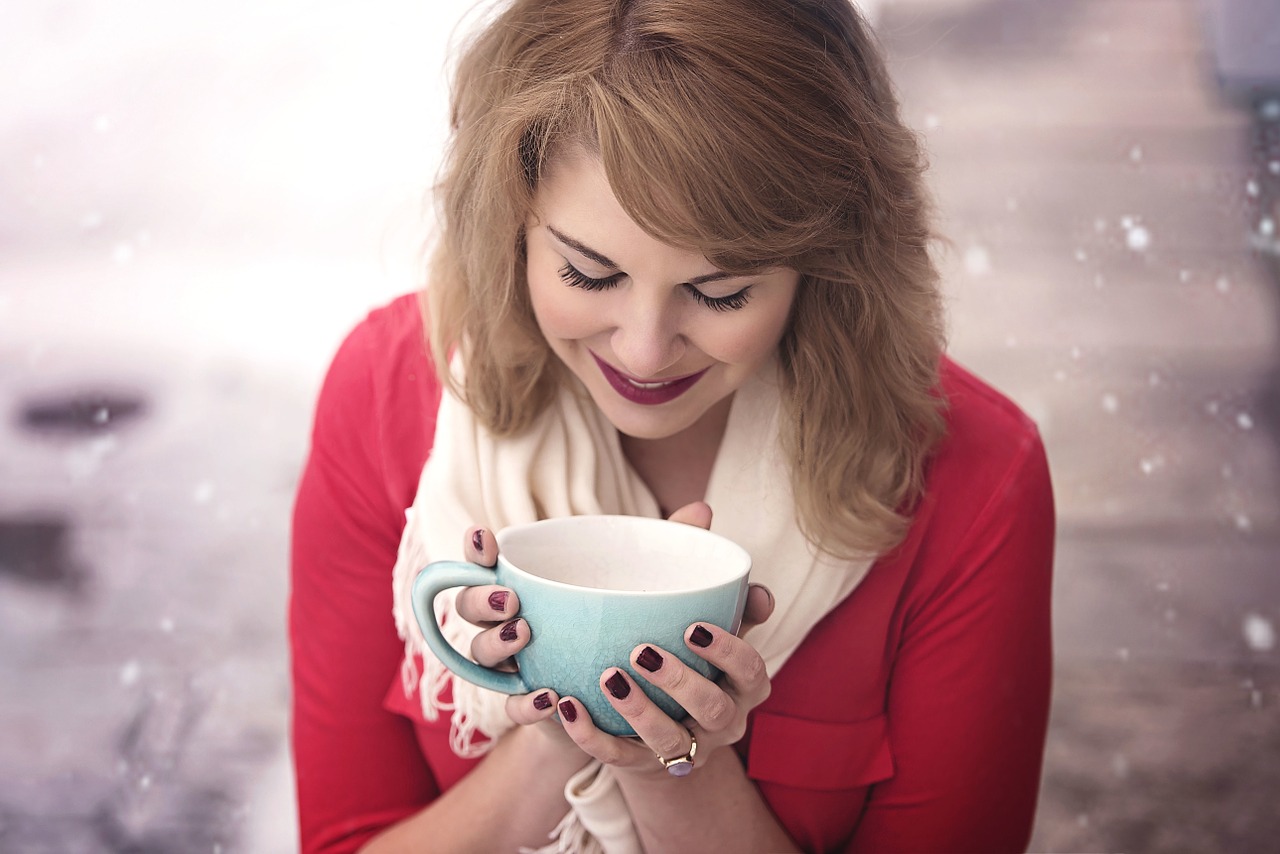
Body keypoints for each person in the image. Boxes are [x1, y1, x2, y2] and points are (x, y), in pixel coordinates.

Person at [289, 0, 1055, 851]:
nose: (645, 350)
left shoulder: (974, 476)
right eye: (587, 274)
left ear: (831, 260)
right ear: (509, 224)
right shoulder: (388, 394)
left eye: (721, 292)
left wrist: (671, 773)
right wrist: (560, 729)